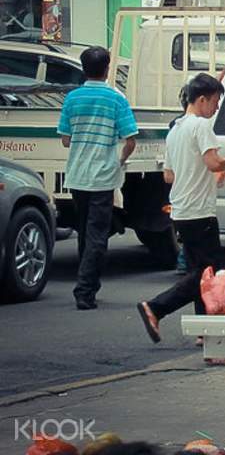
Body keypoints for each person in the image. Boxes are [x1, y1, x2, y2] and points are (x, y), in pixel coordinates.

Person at [137, 74, 225, 341]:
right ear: (202, 99)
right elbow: (212, 162)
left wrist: (208, 176)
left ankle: (203, 328)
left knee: (202, 268)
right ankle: (156, 307)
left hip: (182, 209)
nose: (217, 107)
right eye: (216, 101)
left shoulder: (175, 130)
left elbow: (169, 176)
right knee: (206, 272)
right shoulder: (200, 126)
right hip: (200, 211)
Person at [58, 45, 138, 310]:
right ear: (107, 69)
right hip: (103, 176)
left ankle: (88, 285)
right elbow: (130, 140)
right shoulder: (117, 99)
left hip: (78, 174)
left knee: (84, 231)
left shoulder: (72, 99)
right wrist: (119, 161)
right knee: (97, 235)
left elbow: (66, 140)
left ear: (83, 69)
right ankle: (85, 289)